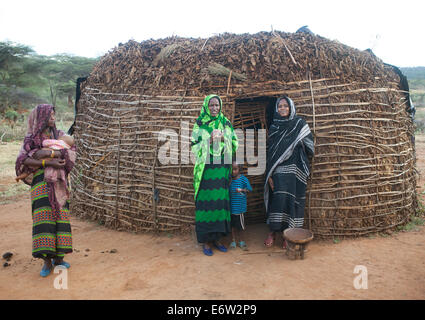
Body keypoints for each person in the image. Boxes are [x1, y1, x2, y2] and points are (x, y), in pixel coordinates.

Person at [15, 104, 76, 277]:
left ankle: (59, 259)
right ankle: (46, 261)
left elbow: (71, 151)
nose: (53, 117)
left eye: (54, 114)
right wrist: (48, 161)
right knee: (44, 220)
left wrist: (45, 153)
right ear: (40, 117)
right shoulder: (31, 139)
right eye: (49, 115)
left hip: (59, 182)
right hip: (41, 184)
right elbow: (24, 160)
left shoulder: (60, 135)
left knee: (61, 218)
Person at [263, 96, 314, 248]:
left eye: (286, 106)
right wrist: (270, 175)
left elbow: (310, 146)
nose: (283, 108)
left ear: (291, 108)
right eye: (280, 106)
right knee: (278, 201)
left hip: (295, 171)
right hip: (279, 171)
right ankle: (273, 231)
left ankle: (288, 233)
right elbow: (271, 153)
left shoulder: (299, 124)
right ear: (276, 109)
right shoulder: (274, 128)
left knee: (292, 202)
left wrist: (297, 143)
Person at [191, 95, 238, 256]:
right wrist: (208, 141)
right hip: (205, 171)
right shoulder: (200, 123)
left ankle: (217, 240)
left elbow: (235, 142)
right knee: (206, 205)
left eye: (217, 105)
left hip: (221, 169)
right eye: (211, 105)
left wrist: (224, 137)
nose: (214, 108)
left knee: (219, 205)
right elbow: (193, 147)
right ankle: (206, 242)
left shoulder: (225, 122)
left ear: (220, 106)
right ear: (206, 106)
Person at [229, 161, 252, 251]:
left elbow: (249, 189)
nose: (233, 171)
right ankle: (233, 241)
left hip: (239, 208)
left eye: (235, 169)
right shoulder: (230, 180)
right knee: (232, 226)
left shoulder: (243, 179)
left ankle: (241, 241)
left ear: (239, 169)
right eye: (232, 169)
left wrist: (242, 189)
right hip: (231, 207)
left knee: (240, 226)